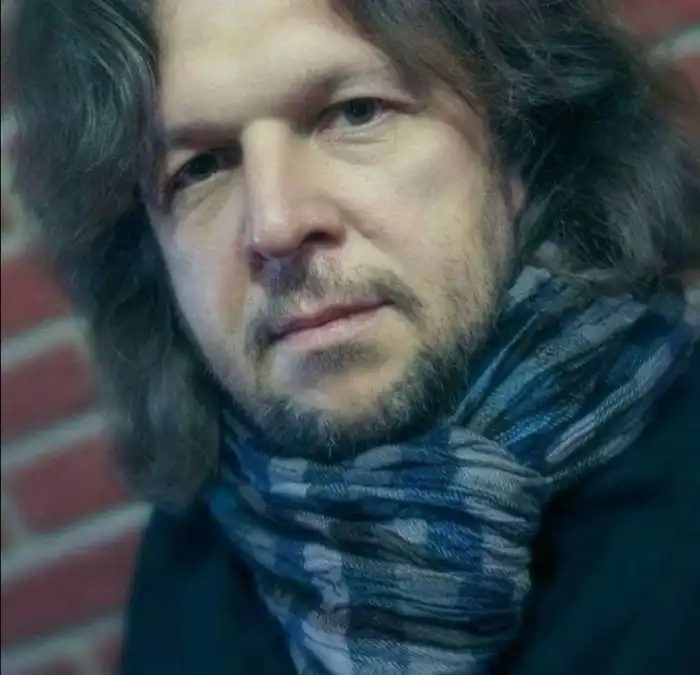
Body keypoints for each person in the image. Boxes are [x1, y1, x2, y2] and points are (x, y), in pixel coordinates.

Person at [5, 0, 700, 673]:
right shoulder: (191, 563)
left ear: (520, 141)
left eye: (356, 112)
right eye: (201, 167)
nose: (275, 224)